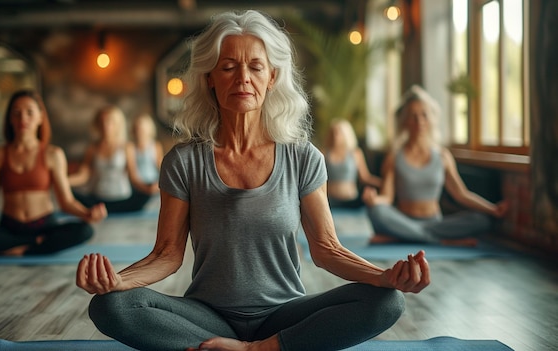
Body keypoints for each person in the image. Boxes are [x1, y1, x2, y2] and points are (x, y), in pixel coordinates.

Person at [76, 10, 430, 351]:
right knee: (110, 306)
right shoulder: (183, 161)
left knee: (387, 302)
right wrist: (119, 282)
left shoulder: (302, 158)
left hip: (284, 314)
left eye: (255, 67)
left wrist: (383, 277)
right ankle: (240, 345)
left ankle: (262, 348)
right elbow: (167, 255)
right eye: (228, 67)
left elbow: (327, 251)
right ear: (210, 78)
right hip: (208, 315)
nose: (242, 77)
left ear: (271, 77)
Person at [0, 90, 106, 256]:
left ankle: (14, 248)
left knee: (84, 231)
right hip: (10, 228)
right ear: (10, 118)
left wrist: (87, 213)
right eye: (17, 113)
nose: (23, 118)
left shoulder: (53, 154)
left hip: (44, 226)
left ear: (40, 117)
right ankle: (31, 246)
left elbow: (66, 201)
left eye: (30, 112)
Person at [362, 85, 509, 245]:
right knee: (376, 211)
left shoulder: (443, 156)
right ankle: (442, 241)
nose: (419, 121)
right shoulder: (394, 156)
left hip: (436, 223)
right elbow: (387, 197)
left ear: (432, 119)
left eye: (424, 115)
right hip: (402, 220)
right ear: (405, 121)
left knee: (483, 220)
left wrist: (492, 209)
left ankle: (404, 237)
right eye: (413, 116)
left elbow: (461, 194)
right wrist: (374, 200)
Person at [68, 106, 155, 213]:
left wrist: (149, 189)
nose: (105, 126)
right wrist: (64, 181)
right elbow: (84, 175)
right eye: (102, 122)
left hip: (123, 199)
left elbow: (134, 178)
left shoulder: (127, 147)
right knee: (71, 196)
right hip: (99, 201)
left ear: (117, 125)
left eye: (109, 122)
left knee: (145, 197)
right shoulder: (92, 148)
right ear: (97, 125)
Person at [324, 118, 381, 209]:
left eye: (338, 132)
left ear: (346, 134)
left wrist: (383, 183)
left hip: (352, 202)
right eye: (333, 132)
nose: (335, 136)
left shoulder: (355, 153)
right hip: (330, 202)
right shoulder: (323, 153)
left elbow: (365, 177)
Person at [130, 113, 163, 201]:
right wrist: (144, 188)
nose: (140, 132)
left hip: (154, 183)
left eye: (143, 129)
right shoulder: (131, 147)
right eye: (138, 129)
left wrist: (158, 185)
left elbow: (161, 167)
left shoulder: (155, 146)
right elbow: (132, 173)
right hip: (138, 185)